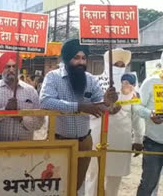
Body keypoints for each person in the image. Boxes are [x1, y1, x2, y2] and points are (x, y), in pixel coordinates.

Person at [39, 39, 118, 194]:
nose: (80, 62)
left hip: (84, 141)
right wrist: (78, 107)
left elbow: (99, 105)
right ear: (67, 59)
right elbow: (46, 101)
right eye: (76, 58)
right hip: (59, 141)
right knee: (56, 185)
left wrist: (108, 102)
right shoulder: (53, 77)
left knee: (77, 185)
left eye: (83, 58)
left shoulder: (90, 79)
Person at [85, 49, 144, 196]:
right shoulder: (94, 82)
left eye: (121, 64)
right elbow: (85, 109)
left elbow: (136, 114)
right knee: (94, 176)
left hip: (121, 139)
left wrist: (138, 138)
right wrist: (104, 108)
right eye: (115, 64)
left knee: (115, 179)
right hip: (97, 135)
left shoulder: (131, 88)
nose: (119, 67)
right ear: (107, 64)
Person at [0, 52, 44, 141]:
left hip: (23, 150)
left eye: (14, 66)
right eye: (8, 66)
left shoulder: (31, 91)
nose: (11, 70)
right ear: (1, 69)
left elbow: (39, 122)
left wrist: (21, 117)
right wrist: (4, 111)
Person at [135, 53, 163, 196]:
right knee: (148, 184)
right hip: (154, 142)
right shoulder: (151, 82)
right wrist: (150, 114)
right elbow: (137, 107)